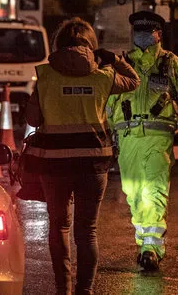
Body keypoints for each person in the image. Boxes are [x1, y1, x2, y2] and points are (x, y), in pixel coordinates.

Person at [25, 17, 139, 295]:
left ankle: (62, 289)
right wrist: (114, 59)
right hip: (93, 162)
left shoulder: (45, 75)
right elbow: (135, 81)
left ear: (58, 44)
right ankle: (84, 291)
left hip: (53, 163)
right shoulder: (104, 77)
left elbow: (32, 118)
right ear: (91, 46)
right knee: (87, 231)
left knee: (59, 227)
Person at [106, 10, 178, 271]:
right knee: (134, 194)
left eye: (148, 32)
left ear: (159, 34)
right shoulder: (122, 65)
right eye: (139, 32)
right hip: (128, 139)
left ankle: (151, 247)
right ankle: (145, 242)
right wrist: (105, 138)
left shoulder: (172, 63)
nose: (143, 36)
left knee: (154, 191)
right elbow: (108, 103)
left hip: (159, 138)